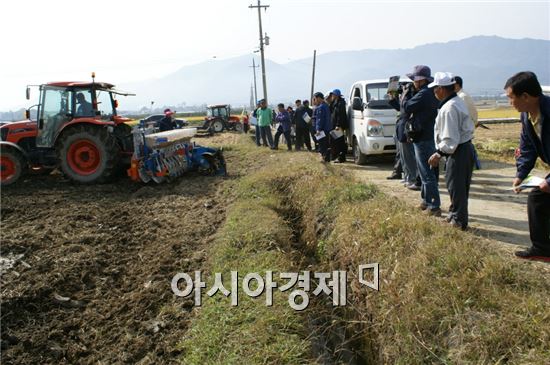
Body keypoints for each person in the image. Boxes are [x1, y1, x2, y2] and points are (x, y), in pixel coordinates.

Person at [506, 71, 550, 261]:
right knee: (538, 199)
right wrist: (521, 174)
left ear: (525, 96)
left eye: (511, 98)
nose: (510, 103)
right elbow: (527, 148)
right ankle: (542, 248)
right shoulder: (527, 116)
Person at [428, 72, 475, 230]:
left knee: (457, 187)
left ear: (441, 89)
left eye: (435, 88)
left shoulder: (450, 108)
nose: (434, 92)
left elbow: (450, 139)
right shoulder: (454, 102)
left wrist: (438, 153)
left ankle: (459, 221)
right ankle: (454, 214)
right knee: (455, 185)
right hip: (462, 148)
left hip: (458, 151)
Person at [403, 65, 441, 216]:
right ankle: (426, 200)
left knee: (426, 172)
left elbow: (406, 107)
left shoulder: (424, 93)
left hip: (423, 136)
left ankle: (434, 205)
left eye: (414, 79)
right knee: (426, 170)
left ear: (421, 80)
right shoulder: (430, 92)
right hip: (428, 134)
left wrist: (405, 94)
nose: (413, 82)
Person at [388, 82, 420, 188]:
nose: (402, 90)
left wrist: (405, 95)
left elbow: (407, 109)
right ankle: (407, 177)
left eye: (404, 88)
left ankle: (412, 178)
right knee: (403, 156)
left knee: (409, 156)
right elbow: (399, 108)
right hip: (400, 128)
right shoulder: (404, 98)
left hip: (406, 128)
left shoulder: (410, 98)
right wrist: (392, 99)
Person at [454, 76, 481, 169]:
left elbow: (466, 115)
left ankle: (474, 165)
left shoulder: (462, 97)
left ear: (456, 85)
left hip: (465, 129)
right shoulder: (461, 95)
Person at [329, 89, 348, 163]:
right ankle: (337, 156)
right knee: (335, 142)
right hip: (334, 126)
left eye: (333, 95)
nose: (332, 96)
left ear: (336, 95)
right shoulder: (334, 103)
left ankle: (341, 158)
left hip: (338, 126)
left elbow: (341, 115)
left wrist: (338, 125)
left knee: (340, 142)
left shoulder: (341, 103)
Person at [312, 92, 332, 162]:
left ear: (318, 98)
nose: (315, 100)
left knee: (322, 145)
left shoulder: (320, 107)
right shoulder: (326, 105)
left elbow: (319, 119)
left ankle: (323, 158)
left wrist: (318, 129)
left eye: (315, 98)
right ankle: (327, 159)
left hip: (322, 130)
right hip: (327, 128)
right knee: (326, 144)